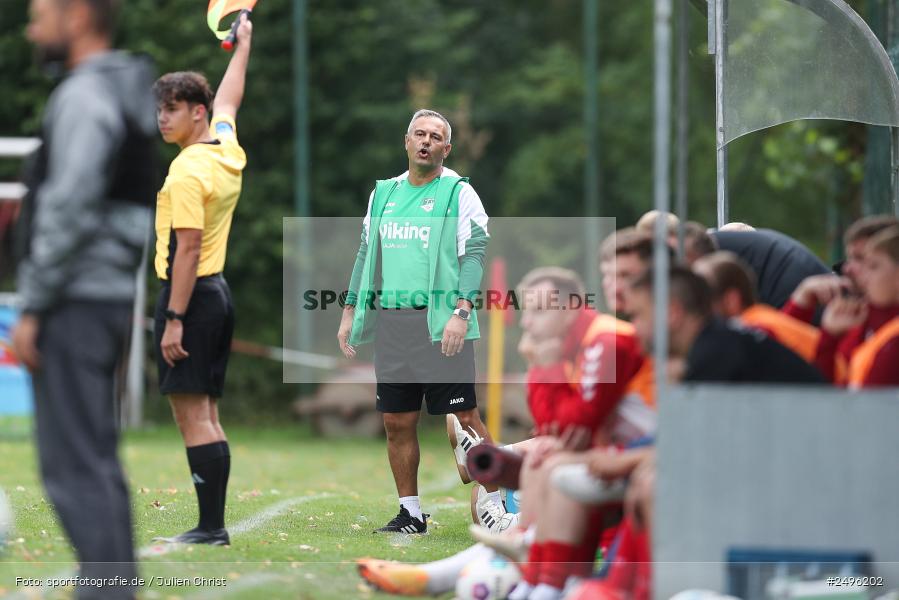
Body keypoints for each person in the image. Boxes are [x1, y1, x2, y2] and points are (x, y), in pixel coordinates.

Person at [12, 0, 156, 596]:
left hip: (73, 300)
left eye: (39, 13)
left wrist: (35, 303)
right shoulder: (129, 92)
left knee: (73, 467)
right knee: (95, 460)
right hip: (108, 297)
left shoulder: (85, 96)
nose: (30, 27)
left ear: (77, 17)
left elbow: (69, 205)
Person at [336, 109, 493, 534]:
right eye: (419, 134)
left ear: (447, 148)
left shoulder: (459, 192)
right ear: (406, 141)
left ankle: (506, 502)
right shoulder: (383, 193)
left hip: (440, 323)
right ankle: (410, 513)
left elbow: (474, 255)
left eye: (435, 136)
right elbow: (366, 254)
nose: (426, 141)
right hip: (393, 325)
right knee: (396, 421)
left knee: (466, 418)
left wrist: (461, 313)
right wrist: (350, 311)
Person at [150, 13, 253, 545]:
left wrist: (172, 318)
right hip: (217, 294)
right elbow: (230, 101)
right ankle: (211, 524)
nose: (162, 119)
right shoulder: (224, 148)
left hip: (190, 297)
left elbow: (186, 247)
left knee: (193, 417)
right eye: (159, 110)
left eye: (171, 110)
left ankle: (210, 527)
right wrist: (243, 47)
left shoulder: (187, 169)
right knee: (206, 415)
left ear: (196, 112)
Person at [626, 266, 824, 384]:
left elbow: (688, 445)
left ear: (672, 313)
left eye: (637, 315)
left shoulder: (714, 356)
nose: (633, 326)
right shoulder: (720, 343)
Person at [693, 251, 820, 362]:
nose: (695, 311)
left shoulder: (752, 332)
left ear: (730, 300)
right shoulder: (760, 318)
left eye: (701, 301)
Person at [816, 225, 899, 387]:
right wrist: (830, 336)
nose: (864, 276)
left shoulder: (893, 343)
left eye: (873, 266)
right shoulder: (863, 321)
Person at [784, 215, 899, 324]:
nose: (846, 268)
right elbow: (775, 342)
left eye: (862, 259)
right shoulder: (857, 314)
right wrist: (802, 300)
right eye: (849, 259)